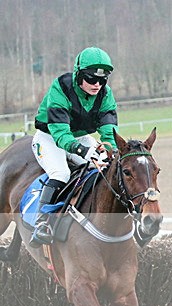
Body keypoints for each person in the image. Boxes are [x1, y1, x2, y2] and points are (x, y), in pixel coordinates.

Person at [30, 46, 118, 247]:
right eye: (91, 79)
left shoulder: (105, 95)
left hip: (79, 137)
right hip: (49, 137)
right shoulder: (61, 87)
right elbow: (60, 134)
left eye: (102, 80)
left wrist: (112, 150)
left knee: (106, 166)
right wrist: (82, 151)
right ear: (78, 74)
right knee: (60, 173)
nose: (97, 85)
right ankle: (41, 223)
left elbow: (108, 130)